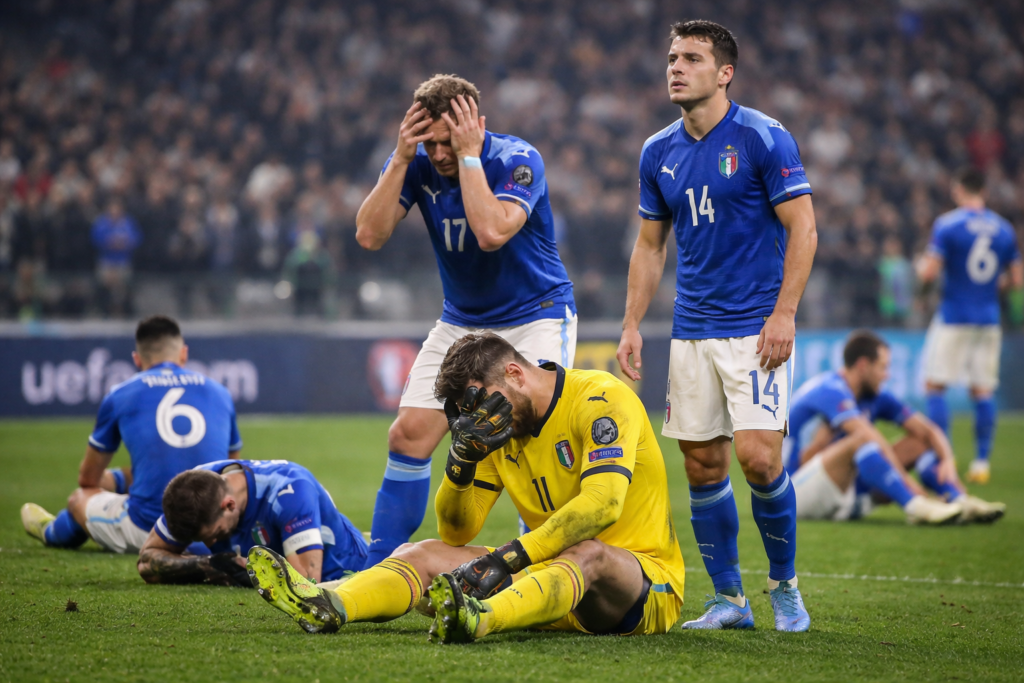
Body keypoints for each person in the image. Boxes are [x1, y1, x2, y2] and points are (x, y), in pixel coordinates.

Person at [246, 333, 684, 642]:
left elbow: (603, 504)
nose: (482, 417)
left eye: (483, 401)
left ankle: (479, 618)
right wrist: (461, 462)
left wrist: (509, 558)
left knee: (587, 552)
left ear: (515, 373)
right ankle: (330, 603)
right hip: (549, 583)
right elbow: (457, 531)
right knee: (419, 553)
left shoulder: (601, 399)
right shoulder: (498, 429)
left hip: (641, 588)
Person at [616, 20, 817, 631]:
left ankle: (784, 586)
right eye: (672, 58)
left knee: (758, 459)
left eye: (692, 58)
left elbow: (803, 228)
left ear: (725, 73)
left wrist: (784, 313)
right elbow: (650, 246)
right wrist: (631, 324)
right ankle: (730, 600)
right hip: (691, 330)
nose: (676, 68)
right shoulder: (658, 151)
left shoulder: (763, 137)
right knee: (703, 466)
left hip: (755, 328)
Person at [354, 74, 577, 568]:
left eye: (447, 141)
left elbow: (492, 232)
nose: (437, 154)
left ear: (474, 126)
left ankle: (539, 564)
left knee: (528, 433)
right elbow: (369, 234)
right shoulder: (416, 162)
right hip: (462, 321)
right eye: (428, 142)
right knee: (408, 434)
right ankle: (377, 569)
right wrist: (400, 157)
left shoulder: (517, 160)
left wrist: (469, 156)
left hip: (535, 315)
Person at [20, 316, 242, 554]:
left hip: (151, 527)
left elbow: (88, 479)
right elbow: (230, 472)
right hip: (214, 531)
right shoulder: (220, 392)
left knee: (79, 499)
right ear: (184, 354)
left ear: (137, 359)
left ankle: (51, 531)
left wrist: (119, 480)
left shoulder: (120, 394)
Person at [786, 330, 1004, 524]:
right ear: (863, 366)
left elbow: (929, 431)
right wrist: (908, 482)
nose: (887, 375)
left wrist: (948, 461)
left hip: (843, 492)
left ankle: (960, 500)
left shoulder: (873, 395)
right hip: (794, 494)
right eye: (883, 367)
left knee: (919, 441)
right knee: (862, 440)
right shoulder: (830, 389)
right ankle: (916, 505)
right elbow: (863, 437)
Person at [917, 167, 1023, 484]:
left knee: (935, 386)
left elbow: (929, 273)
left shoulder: (948, 224)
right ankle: (981, 463)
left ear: (958, 190)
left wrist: (921, 292)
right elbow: (1017, 280)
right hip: (988, 318)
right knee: (983, 390)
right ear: (984, 192)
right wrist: (991, 287)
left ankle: (944, 458)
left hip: (954, 316)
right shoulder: (1004, 229)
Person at [137, 459, 367, 586]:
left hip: (344, 574)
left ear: (229, 505)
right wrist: (207, 564)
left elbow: (307, 584)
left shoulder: (289, 492)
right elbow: (146, 563)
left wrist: (251, 569)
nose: (212, 543)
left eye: (215, 534)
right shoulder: (195, 488)